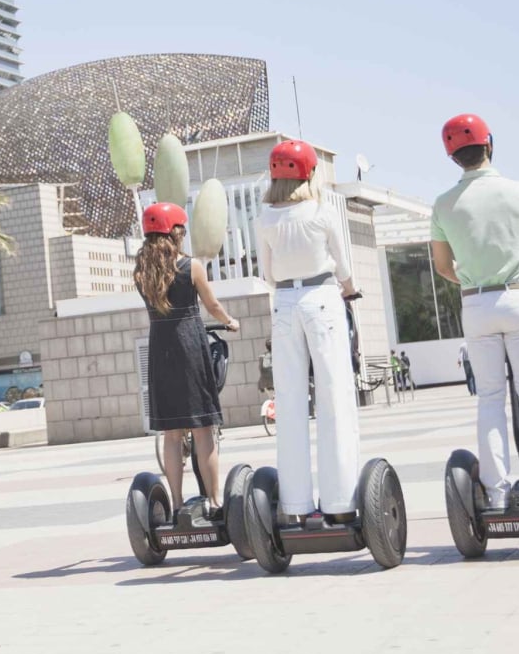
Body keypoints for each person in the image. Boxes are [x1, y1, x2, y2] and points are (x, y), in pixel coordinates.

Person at [431, 114, 519, 510]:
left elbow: (442, 266)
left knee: (489, 398)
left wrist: (472, 283)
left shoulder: (443, 204)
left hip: (476, 303)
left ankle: (497, 493)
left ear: (453, 157)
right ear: (489, 145)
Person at [254, 139, 362, 521]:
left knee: (291, 402)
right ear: (311, 173)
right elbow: (344, 268)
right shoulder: (322, 210)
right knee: (334, 398)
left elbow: (268, 274)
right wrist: (350, 290)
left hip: (284, 304)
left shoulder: (265, 216)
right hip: (321, 298)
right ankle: (340, 503)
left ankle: (296, 506)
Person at [134, 202, 238, 513]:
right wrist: (231, 321)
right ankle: (215, 500)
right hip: (190, 346)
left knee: (171, 433)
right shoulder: (190, 266)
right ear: (176, 232)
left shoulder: (141, 271)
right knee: (203, 427)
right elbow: (213, 306)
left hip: (160, 350)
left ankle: (177, 504)